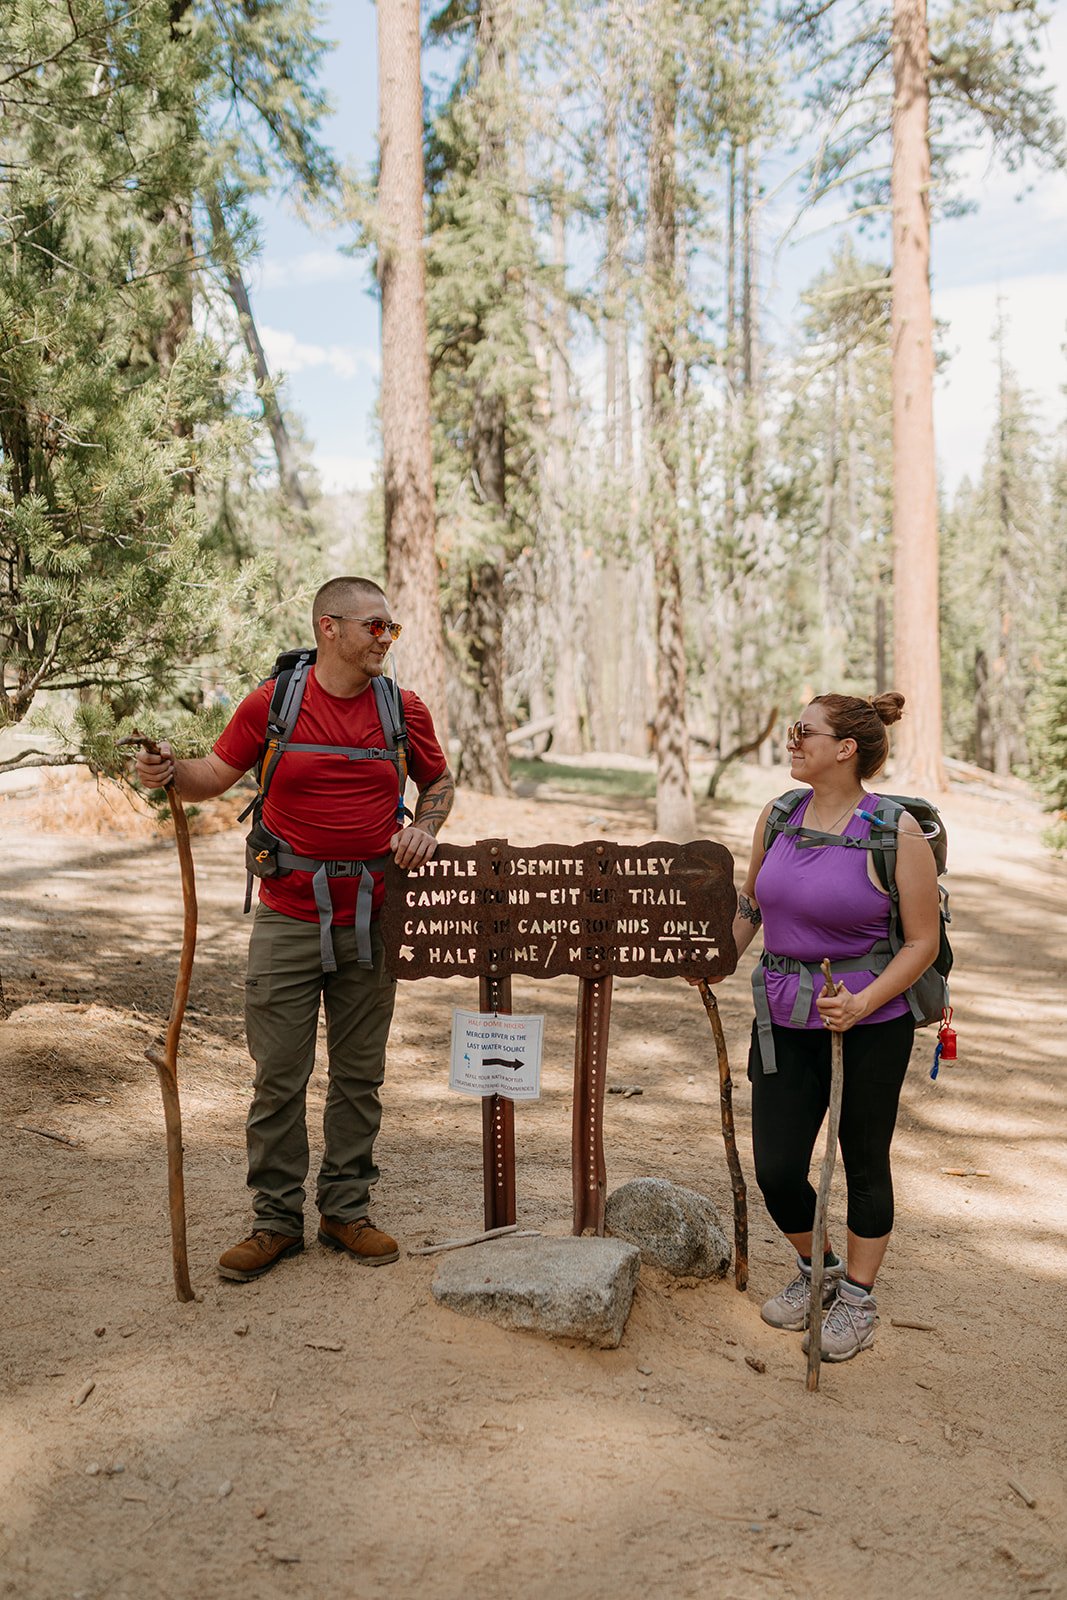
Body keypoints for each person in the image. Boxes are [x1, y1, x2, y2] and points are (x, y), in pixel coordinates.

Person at [134, 577, 455, 1282]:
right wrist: (164, 771)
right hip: (284, 914)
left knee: (359, 1076)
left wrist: (426, 827)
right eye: (374, 626)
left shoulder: (403, 709)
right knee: (278, 1075)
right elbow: (209, 775)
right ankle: (275, 1221)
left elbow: (438, 782)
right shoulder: (272, 702)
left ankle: (346, 1209)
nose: (385, 638)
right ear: (328, 628)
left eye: (390, 628)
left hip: (372, 916)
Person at [699, 692, 940, 1362]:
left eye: (803, 731)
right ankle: (820, 1270)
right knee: (777, 1168)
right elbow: (754, 899)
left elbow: (921, 942)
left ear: (845, 749)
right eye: (790, 729)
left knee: (862, 1161)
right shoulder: (779, 814)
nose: (790, 740)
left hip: (871, 1020)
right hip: (783, 1013)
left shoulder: (895, 832)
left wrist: (863, 1003)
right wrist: (721, 955)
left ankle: (857, 1300)